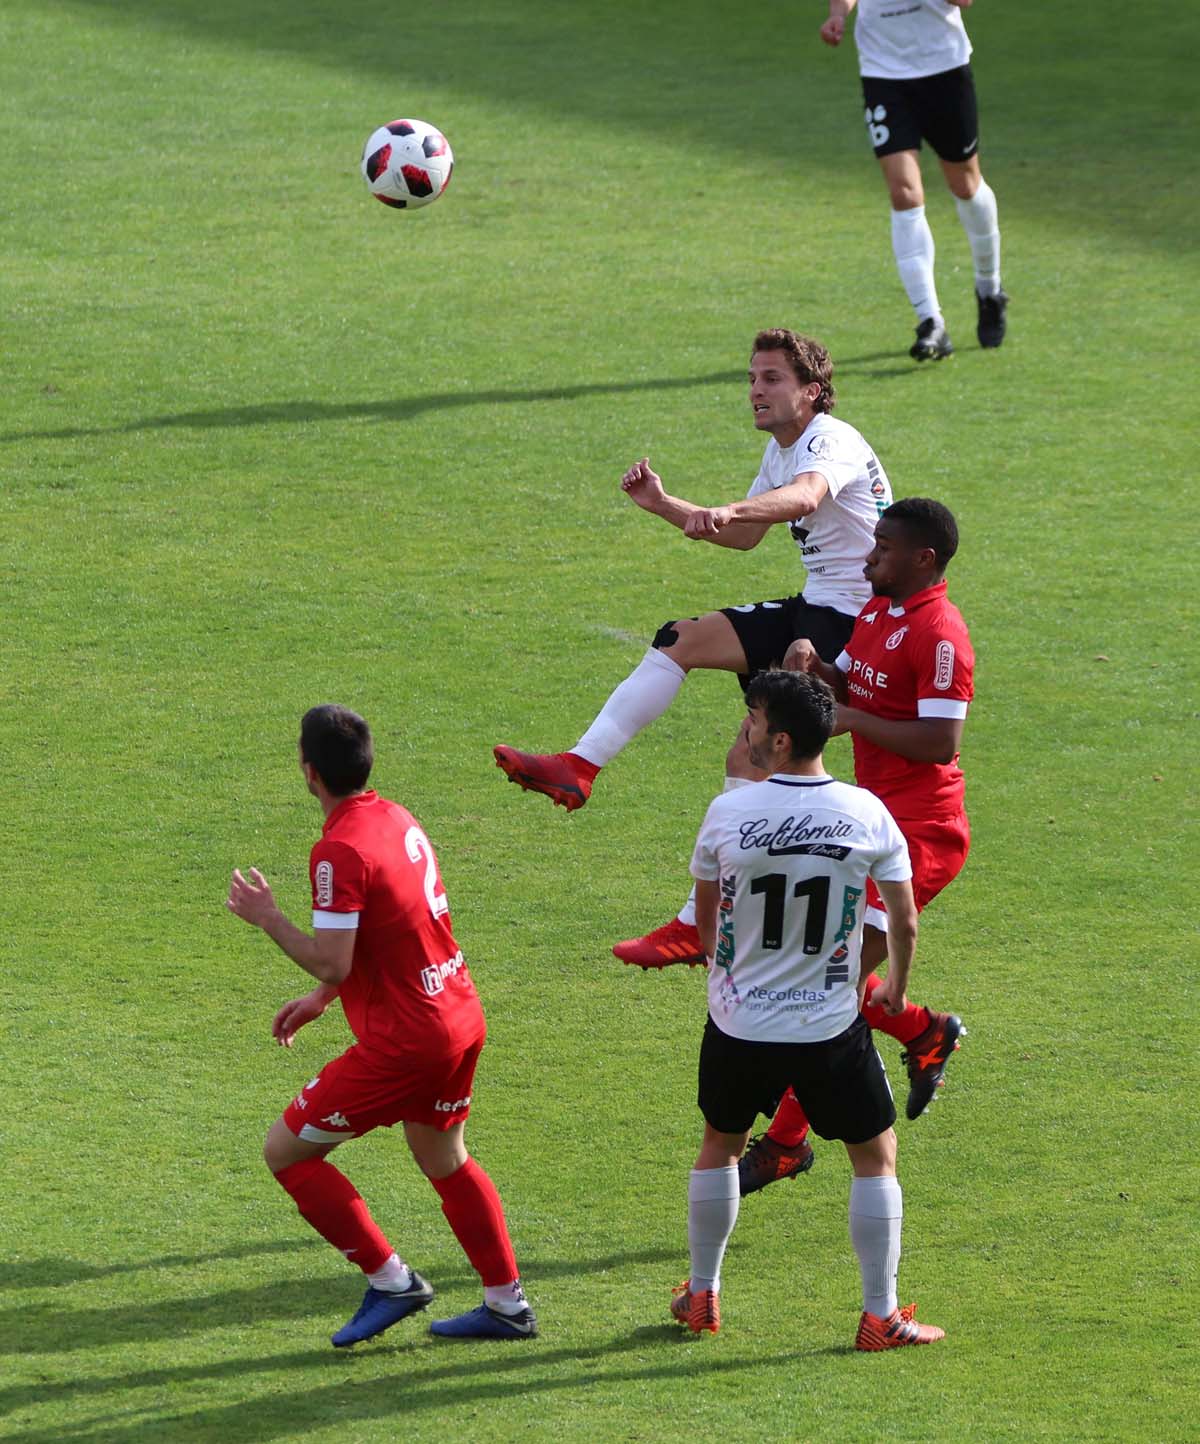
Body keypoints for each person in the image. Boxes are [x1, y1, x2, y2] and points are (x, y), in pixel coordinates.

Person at [226, 704, 536, 1346]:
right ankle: (507, 1303)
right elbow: (395, 933)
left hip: (407, 1040)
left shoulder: (337, 850)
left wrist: (268, 918)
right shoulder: (395, 817)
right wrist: (322, 997)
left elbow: (333, 953)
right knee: (444, 1157)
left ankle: (391, 1281)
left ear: (308, 773)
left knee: (286, 1153)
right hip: (457, 1011)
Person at [494, 328, 892, 819]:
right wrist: (664, 505)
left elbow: (806, 496)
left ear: (811, 391)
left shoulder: (829, 438)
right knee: (681, 642)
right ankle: (578, 767)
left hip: (858, 622)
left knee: (762, 752)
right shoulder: (782, 450)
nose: (756, 391)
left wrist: (729, 508)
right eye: (752, 379)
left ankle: (750, 863)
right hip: (816, 607)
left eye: (771, 378)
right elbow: (744, 534)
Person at [672, 668, 945, 1349]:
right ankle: (879, 1314)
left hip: (739, 1023)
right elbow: (904, 922)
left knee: (719, 1145)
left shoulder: (728, 811)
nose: (747, 729)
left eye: (755, 718)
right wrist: (896, 990)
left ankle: (703, 1293)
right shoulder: (867, 813)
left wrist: (727, 970)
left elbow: (705, 926)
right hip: (828, 1025)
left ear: (783, 739)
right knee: (875, 1157)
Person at [739, 496, 973, 1194]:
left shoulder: (940, 636)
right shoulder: (878, 611)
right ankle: (923, 1032)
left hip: (920, 832)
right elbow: (850, 690)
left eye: (884, 547)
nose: (869, 556)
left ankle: (785, 1141)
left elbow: (941, 741)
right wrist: (816, 669)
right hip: (865, 823)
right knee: (821, 977)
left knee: (823, 981)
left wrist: (848, 718)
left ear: (923, 559)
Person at [820, 0, 1009, 360]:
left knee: (965, 185)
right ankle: (930, 320)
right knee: (904, 193)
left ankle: (989, 288)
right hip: (884, 74)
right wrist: (838, 15)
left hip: (944, 69)